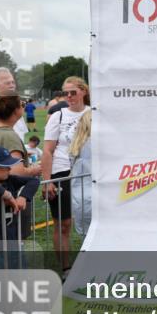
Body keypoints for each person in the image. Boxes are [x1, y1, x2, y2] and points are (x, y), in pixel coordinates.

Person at [41, 76, 89, 274]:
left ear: (83, 91)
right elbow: (47, 151)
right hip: (62, 172)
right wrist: (47, 181)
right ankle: (65, 267)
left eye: (73, 92)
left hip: (88, 173)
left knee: (93, 220)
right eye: (66, 93)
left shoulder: (95, 113)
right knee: (64, 224)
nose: (69, 96)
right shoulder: (58, 116)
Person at [68, 109, 93, 237]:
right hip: (97, 196)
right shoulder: (97, 144)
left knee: (86, 237)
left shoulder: (75, 145)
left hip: (80, 197)